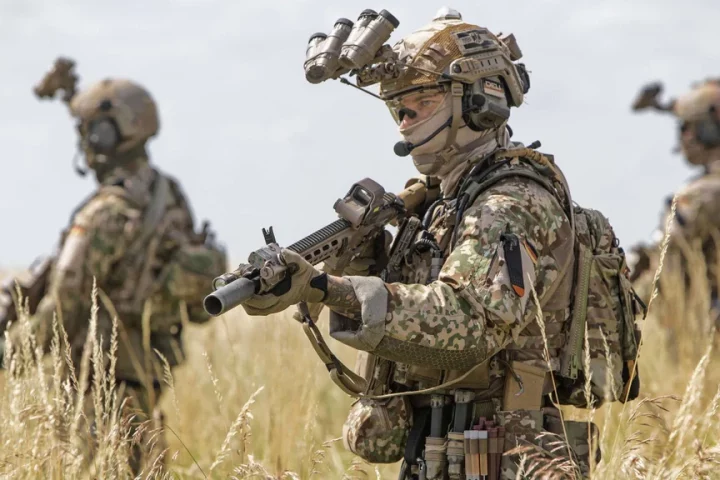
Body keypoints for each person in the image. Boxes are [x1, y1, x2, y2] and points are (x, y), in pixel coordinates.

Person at [230, 8, 641, 479]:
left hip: (508, 460)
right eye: (396, 107)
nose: (403, 120)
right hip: (447, 453)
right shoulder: (441, 204)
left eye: (419, 101)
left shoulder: (510, 203)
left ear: (477, 101)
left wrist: (325, 288)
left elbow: (465, 323)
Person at [0, 58, 226, 473]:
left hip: (98, 386)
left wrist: (10, 356)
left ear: (106, 136)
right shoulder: (168, 194)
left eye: (88, 132)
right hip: (148, 380)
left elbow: (62, 308)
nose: (84, 142)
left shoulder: (106, 212)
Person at [629, 79, 720, 327]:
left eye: (687, 127)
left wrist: (625, 302)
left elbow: (666, 260)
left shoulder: (703, 194)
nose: (683, 136)